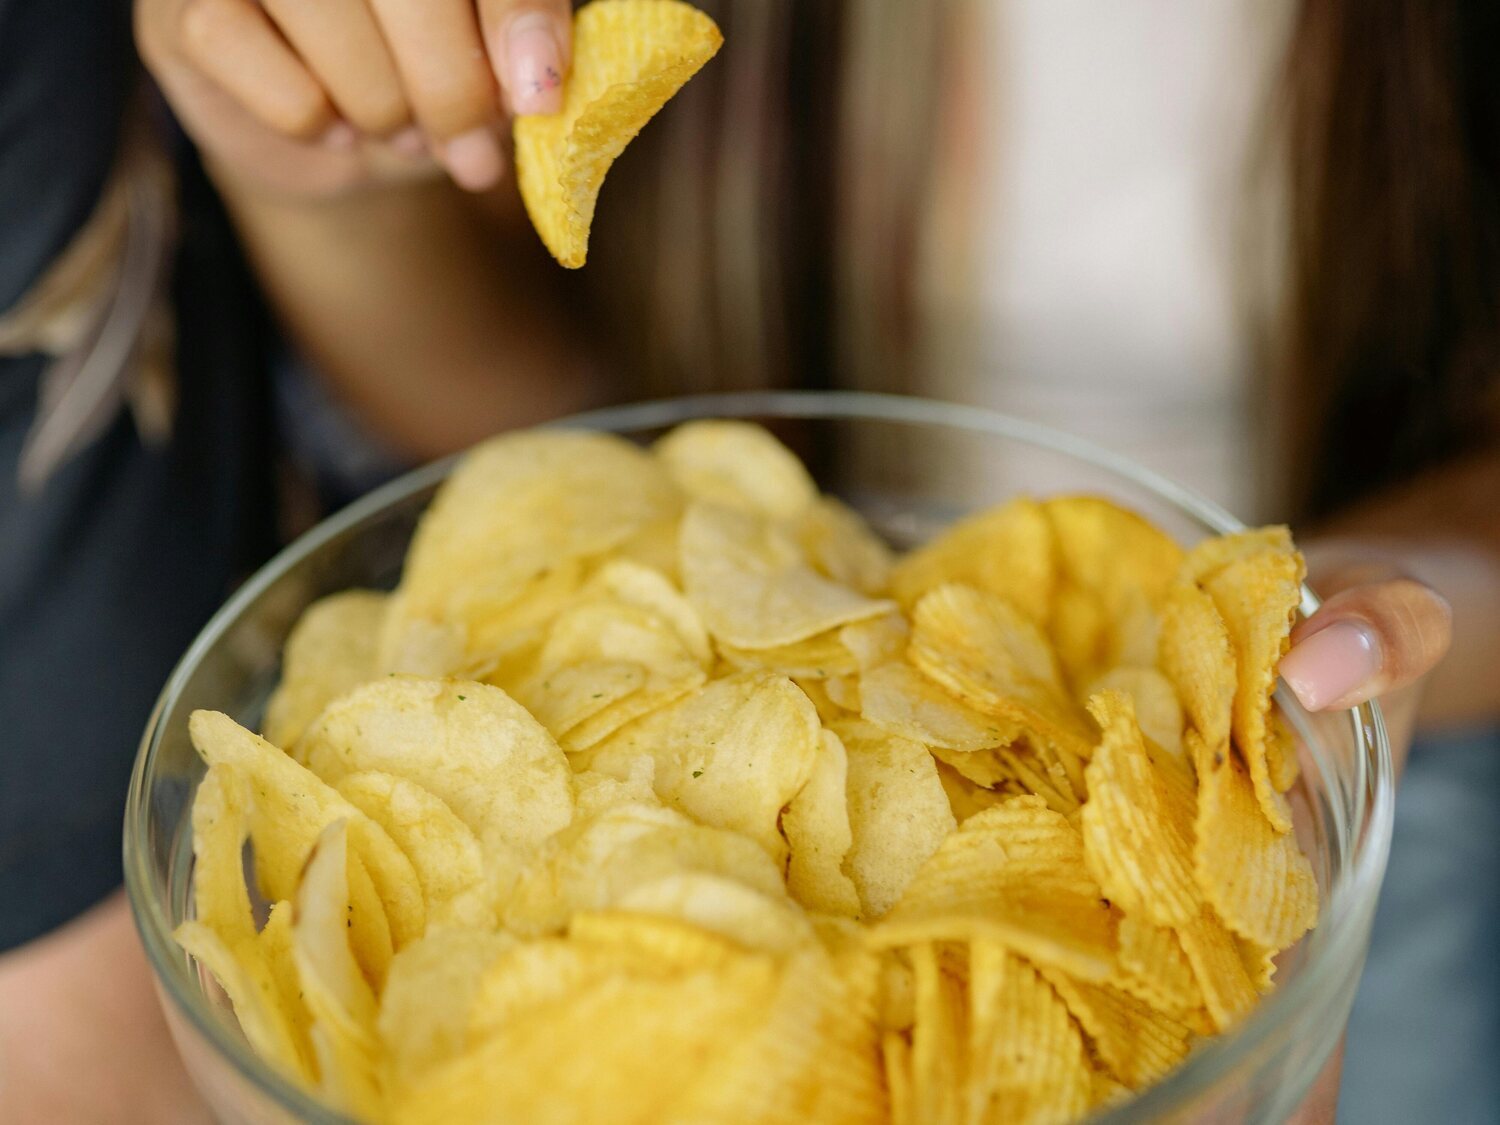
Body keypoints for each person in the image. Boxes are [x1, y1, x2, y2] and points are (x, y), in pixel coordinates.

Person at [0, 2, 1486, 1123]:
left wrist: (1368, 605)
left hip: (1346, 721)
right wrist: (322, 166)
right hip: (769, 591)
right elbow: (529, 457)